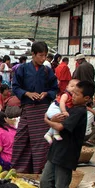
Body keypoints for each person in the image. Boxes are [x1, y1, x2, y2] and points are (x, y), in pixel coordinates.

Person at [40, 81, 94, 188]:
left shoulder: (80, 111)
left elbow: (60, 127)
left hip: (66, 155)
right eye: (72, 93)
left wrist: (47, 121)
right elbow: (57, 118)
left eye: (77, 94)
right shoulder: (70, 107)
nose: (73, 96)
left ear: (86, 98)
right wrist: (52, 118)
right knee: (45, 182)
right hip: (55, 151)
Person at [11, 41, 59, 174]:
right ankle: (20, 170)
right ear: (33, 54)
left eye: (45, 56)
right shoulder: (22, 69)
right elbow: (15, 87)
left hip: (42, 111)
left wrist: (46, 93)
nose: (43, 59)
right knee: (20, 140)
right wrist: (27, 93)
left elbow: (54, 88)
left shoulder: (47, 70)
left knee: (41, 144)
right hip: (28, 109)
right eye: (40, 55)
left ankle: (40, 172)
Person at [44, 78, 79, 144]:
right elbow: (62, 103)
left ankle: (48, 134)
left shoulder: (72, 97)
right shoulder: (65, 95)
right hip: (54, 108)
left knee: (59, 119)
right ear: (67, 87)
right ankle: (55, 134)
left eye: (76, 87)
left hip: (57, 110)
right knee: (59, 118)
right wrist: (64, 111)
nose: (73, 88)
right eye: (72, 86)